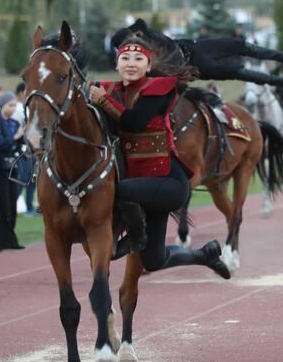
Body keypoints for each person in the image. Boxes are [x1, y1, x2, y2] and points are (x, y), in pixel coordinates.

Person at [89, 38, 230, 278]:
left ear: (148, 65)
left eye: (138, 59)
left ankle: (136, 238)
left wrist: (102, 99)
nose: (131, 63)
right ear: (117, 64)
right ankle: (205, 255)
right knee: (154, 261)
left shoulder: (159, 88)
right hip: (142, 186)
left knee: (114, 190)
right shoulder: (108, 89)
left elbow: (134, 122)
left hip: (168, 183)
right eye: (125, 58)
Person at [113, 19, 283, 88]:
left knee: (241, 45)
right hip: (196, 65)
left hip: (196, 46)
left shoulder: (146, 34)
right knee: (238, 72)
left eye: (134, 36)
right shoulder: (142, 64)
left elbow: (141, 24)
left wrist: (136, 31)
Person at [0, 93, 25, 251]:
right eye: (10, 105)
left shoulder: (15, 123)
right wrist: (15, 137)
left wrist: (23, 139)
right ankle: (6, 241)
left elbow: (19, 143)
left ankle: (3, 241)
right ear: (2, 105)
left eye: (14, 105)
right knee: (2, 206)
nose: (13, 108)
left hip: (12, 168)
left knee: (12, 205)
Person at [13, 82, 37, 216]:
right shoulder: (17, 108)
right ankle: (11, 204)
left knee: (31, 179)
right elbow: (26, 127)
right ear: (21, 93)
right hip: (22, 148)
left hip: (30, 148)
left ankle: (29, 207)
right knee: (23, 178)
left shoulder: (24, 107)